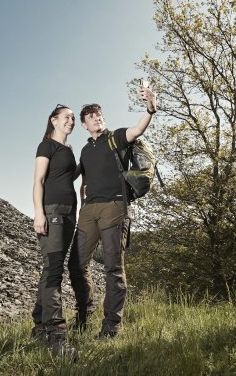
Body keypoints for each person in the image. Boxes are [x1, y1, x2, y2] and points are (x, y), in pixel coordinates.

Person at [69, 84, 157, 338]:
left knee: (113, 268)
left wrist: (150, 107)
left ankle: (111, 327)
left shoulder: (116, 136)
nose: (97, 118)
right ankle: (85, 314)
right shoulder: (86, 149)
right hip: (89, 211)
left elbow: (138, 128)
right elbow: (79, 179)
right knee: (76, 264)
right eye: (92, 116)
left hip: (114, 207)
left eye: (100, 115)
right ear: (84, 124)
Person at [32, 104, 80, 357]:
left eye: (73, 118)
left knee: (51, 267)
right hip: (52, 211)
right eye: (66, 118)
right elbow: (39, 180)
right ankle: (56, 332)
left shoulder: (68, 149)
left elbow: (65, 177)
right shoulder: (46, 146)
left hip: (70, 211)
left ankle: (39, 326)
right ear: (53, 120)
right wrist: (39, 213)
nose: (71, 121)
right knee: (54, 270)